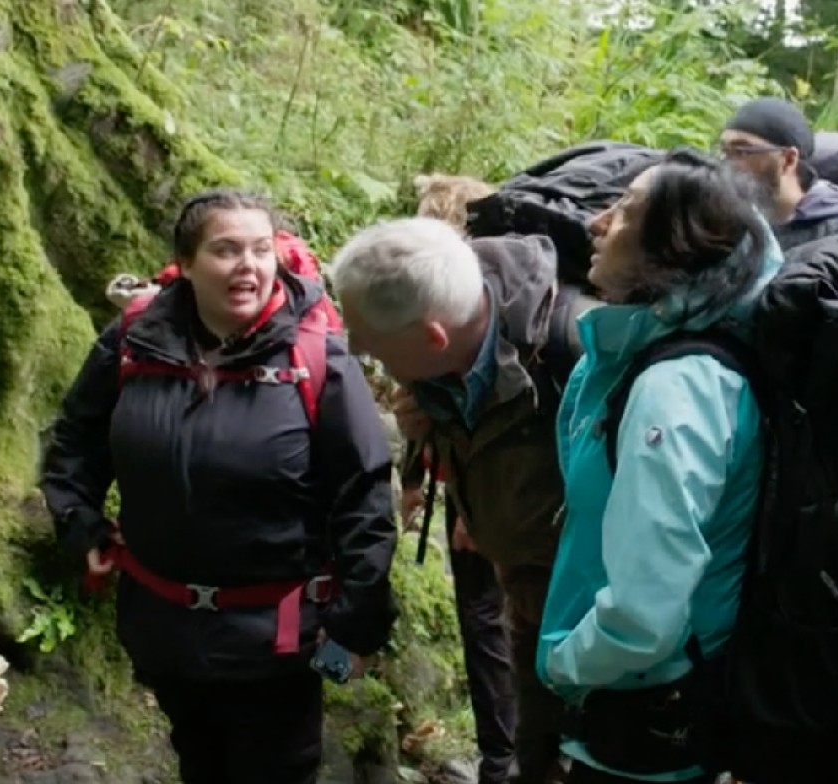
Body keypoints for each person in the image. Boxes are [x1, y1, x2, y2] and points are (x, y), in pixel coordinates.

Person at [40, 189, 399, 784]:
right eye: (226, 250)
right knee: (199, 762)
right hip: (165, 628)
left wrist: (357, 622)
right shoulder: (134, 339)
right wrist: (79, 524)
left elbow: (363, 494)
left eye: (261, 250)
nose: (248, 266)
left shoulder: (316, 358)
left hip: (278, 644)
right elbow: (76, 439)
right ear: (185, 263)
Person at [536, 148, 781, 784]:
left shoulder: (675, 387)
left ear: (673, 249)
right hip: (645, 704)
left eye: (626, 211)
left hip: (649, 716)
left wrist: (565, 665)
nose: (597, 221)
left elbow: (647, 612)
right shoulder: (654, 359)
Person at [327, 216, 599, 784]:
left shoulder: (580, 351)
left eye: (370, 341)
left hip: (602, 619)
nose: (357, 349)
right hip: (530, 594)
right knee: (536, 753)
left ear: (432, 336)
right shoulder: (448, 349)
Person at [404, 172, 519, 783]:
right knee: (502, 619)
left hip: (484, 491)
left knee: (487, 621)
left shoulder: (458, 293)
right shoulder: (512, 288)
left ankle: (504, 758)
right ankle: (515, 754)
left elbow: (425, 402)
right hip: (490, 486)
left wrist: (429, 488)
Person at [717, 97, 838, 249]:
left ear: (789, 160)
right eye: (724, 150)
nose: (725, 162)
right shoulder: (734, 226)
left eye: (741, 151)